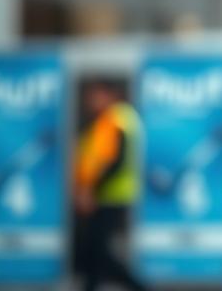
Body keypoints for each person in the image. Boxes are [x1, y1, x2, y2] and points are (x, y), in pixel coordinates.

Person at [72, 79, 147, 291]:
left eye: (94, 94)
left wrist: (91, 191)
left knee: (99, 251)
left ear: (108, 94)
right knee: (93, 251)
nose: (90, 101)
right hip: (105, 195)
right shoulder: (107, 120)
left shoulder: (117, 119)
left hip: (112, 196)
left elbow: (114, 161)